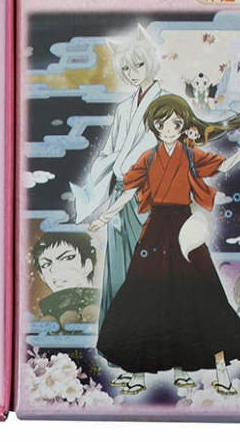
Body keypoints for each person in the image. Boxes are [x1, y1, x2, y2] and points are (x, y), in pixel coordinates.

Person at [92, 95, 240, 396]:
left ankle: (208, 371)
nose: (168, 129)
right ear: (154, 126)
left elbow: (220, 166)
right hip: (155, 230)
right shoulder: (148, 157)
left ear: (183, 125)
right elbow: (129, 191)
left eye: (175, 123)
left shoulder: (190, 155)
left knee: (202, 295)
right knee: (142, 296)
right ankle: (137, 371)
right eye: (162, 123)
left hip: (184, 231)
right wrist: (105, 216)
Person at [71, 24, 165, 331]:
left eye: (138, 65)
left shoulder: (166, 103)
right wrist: (100, 182)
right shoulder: (125, 108)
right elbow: (109, 152)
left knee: (150, 262)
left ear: (151, 61)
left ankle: (154, 336)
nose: (133, 73)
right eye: (126, 68)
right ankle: (119, 336)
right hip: (121, 191)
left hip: (151, 193)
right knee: (118, 262)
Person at [31, 232, 101, 325]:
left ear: (87, 265)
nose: (54, 269)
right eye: (46, 264)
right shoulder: (44, 316)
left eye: (68, 258)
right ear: (42, 276)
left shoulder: (104, 304)